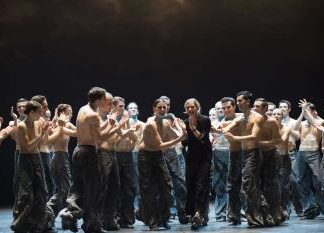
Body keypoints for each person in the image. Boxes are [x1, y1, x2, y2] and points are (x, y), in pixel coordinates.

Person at [138, 98, 186, 231]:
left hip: (158, 155)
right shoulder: (150, 124)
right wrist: (179, 138)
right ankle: (152, 221)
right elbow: (161, 144)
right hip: (145, 156)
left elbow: (179, 136)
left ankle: (163, 218)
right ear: (154, 109)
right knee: (149, 190)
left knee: (166, 187)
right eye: (159, 107)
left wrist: (182, 130)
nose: (162, 110)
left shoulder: (165, 123)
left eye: (164, 107)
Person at [11, 100, 57, 233]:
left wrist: (45, 131)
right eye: (38, 113)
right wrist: (41, 134)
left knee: (42, 190)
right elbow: (28, 146)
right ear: (31, 113)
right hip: (25, 159)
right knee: (26, 193)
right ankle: (20, 224)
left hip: (36, 158)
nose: (40, 116)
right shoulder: (21, 126)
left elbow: (40, 143)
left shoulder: (37, 123)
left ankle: (40, 223)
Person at [183, 98, 212, 230]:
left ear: (197, 107)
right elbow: (185, 143)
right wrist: (183, 133)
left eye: (192, 107)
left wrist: (193, 129)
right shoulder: (185, 122)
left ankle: (199, 213)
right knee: (191, 186)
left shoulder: (205, 120)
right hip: (191, 158)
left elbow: (202, 139)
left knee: (201, 186)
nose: (190, 109)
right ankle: (194, 213)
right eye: (188, 107)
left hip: (204, 157)